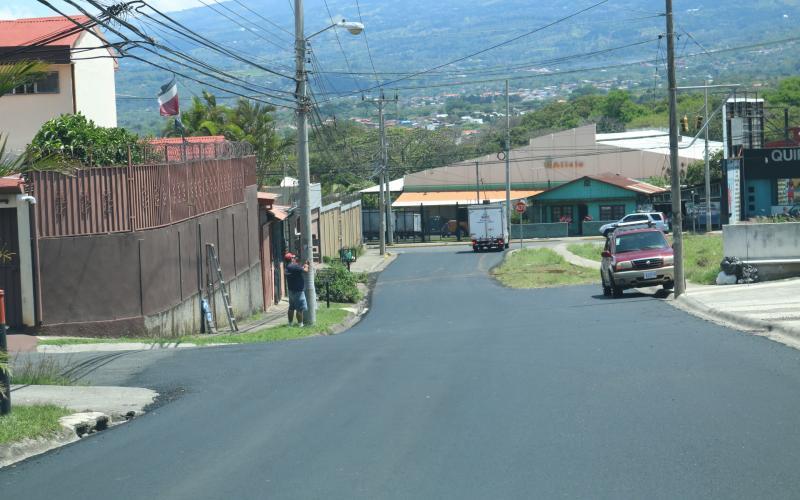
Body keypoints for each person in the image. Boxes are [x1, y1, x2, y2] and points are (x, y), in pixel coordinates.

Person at [284, 252, 309, 327]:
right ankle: (300, 324)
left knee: (291, 308)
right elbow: (305, 270)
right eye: (293, 257)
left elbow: (298, 270)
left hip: (291, 290)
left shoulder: (288, 267)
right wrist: (306, 265)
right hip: (298, 291)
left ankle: (290, 323)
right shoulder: (294, 266)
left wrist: (301, 266)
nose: (294, 258)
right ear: (291, 259)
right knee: (299, 309)